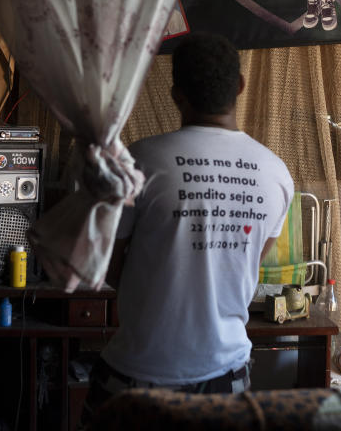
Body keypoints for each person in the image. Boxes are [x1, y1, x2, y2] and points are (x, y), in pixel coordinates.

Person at [80, 34, 295, 428]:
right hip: (226, 375)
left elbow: (111, 268)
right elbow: (249, 258)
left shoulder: (139, 161)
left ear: (177, 95)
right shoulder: (276, 173)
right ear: (241, 86)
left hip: (138, 372)